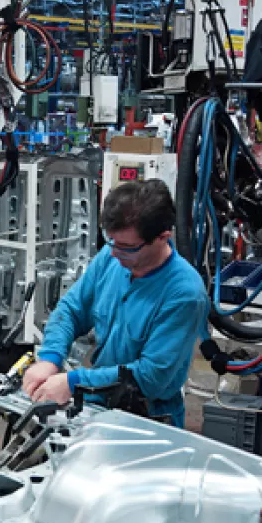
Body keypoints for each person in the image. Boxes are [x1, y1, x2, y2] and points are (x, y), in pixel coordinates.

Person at [22, 179, 208, 428]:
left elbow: (149, 377)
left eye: (126, 246)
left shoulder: (184, 294)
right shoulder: (112, 258)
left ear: (162, 237)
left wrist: (73, 382)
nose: (113, 252)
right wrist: (50, 358)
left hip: (148, 420)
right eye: (110, 241)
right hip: (99, 406)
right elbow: (71, 310)